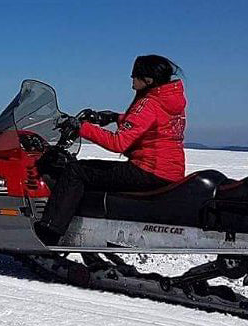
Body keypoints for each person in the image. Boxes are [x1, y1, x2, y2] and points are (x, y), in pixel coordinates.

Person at [33, 55, 187, 246]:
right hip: (169, 172)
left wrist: (81, 127)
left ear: (148, 80)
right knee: (90, 173)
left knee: (76, 170)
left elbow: (118, 143)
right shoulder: (169, 99)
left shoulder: (149, 103)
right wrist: (114, 117)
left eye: (135, 77)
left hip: (148, 171)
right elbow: (152, 123)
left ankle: (49, 232)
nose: (132, 84)